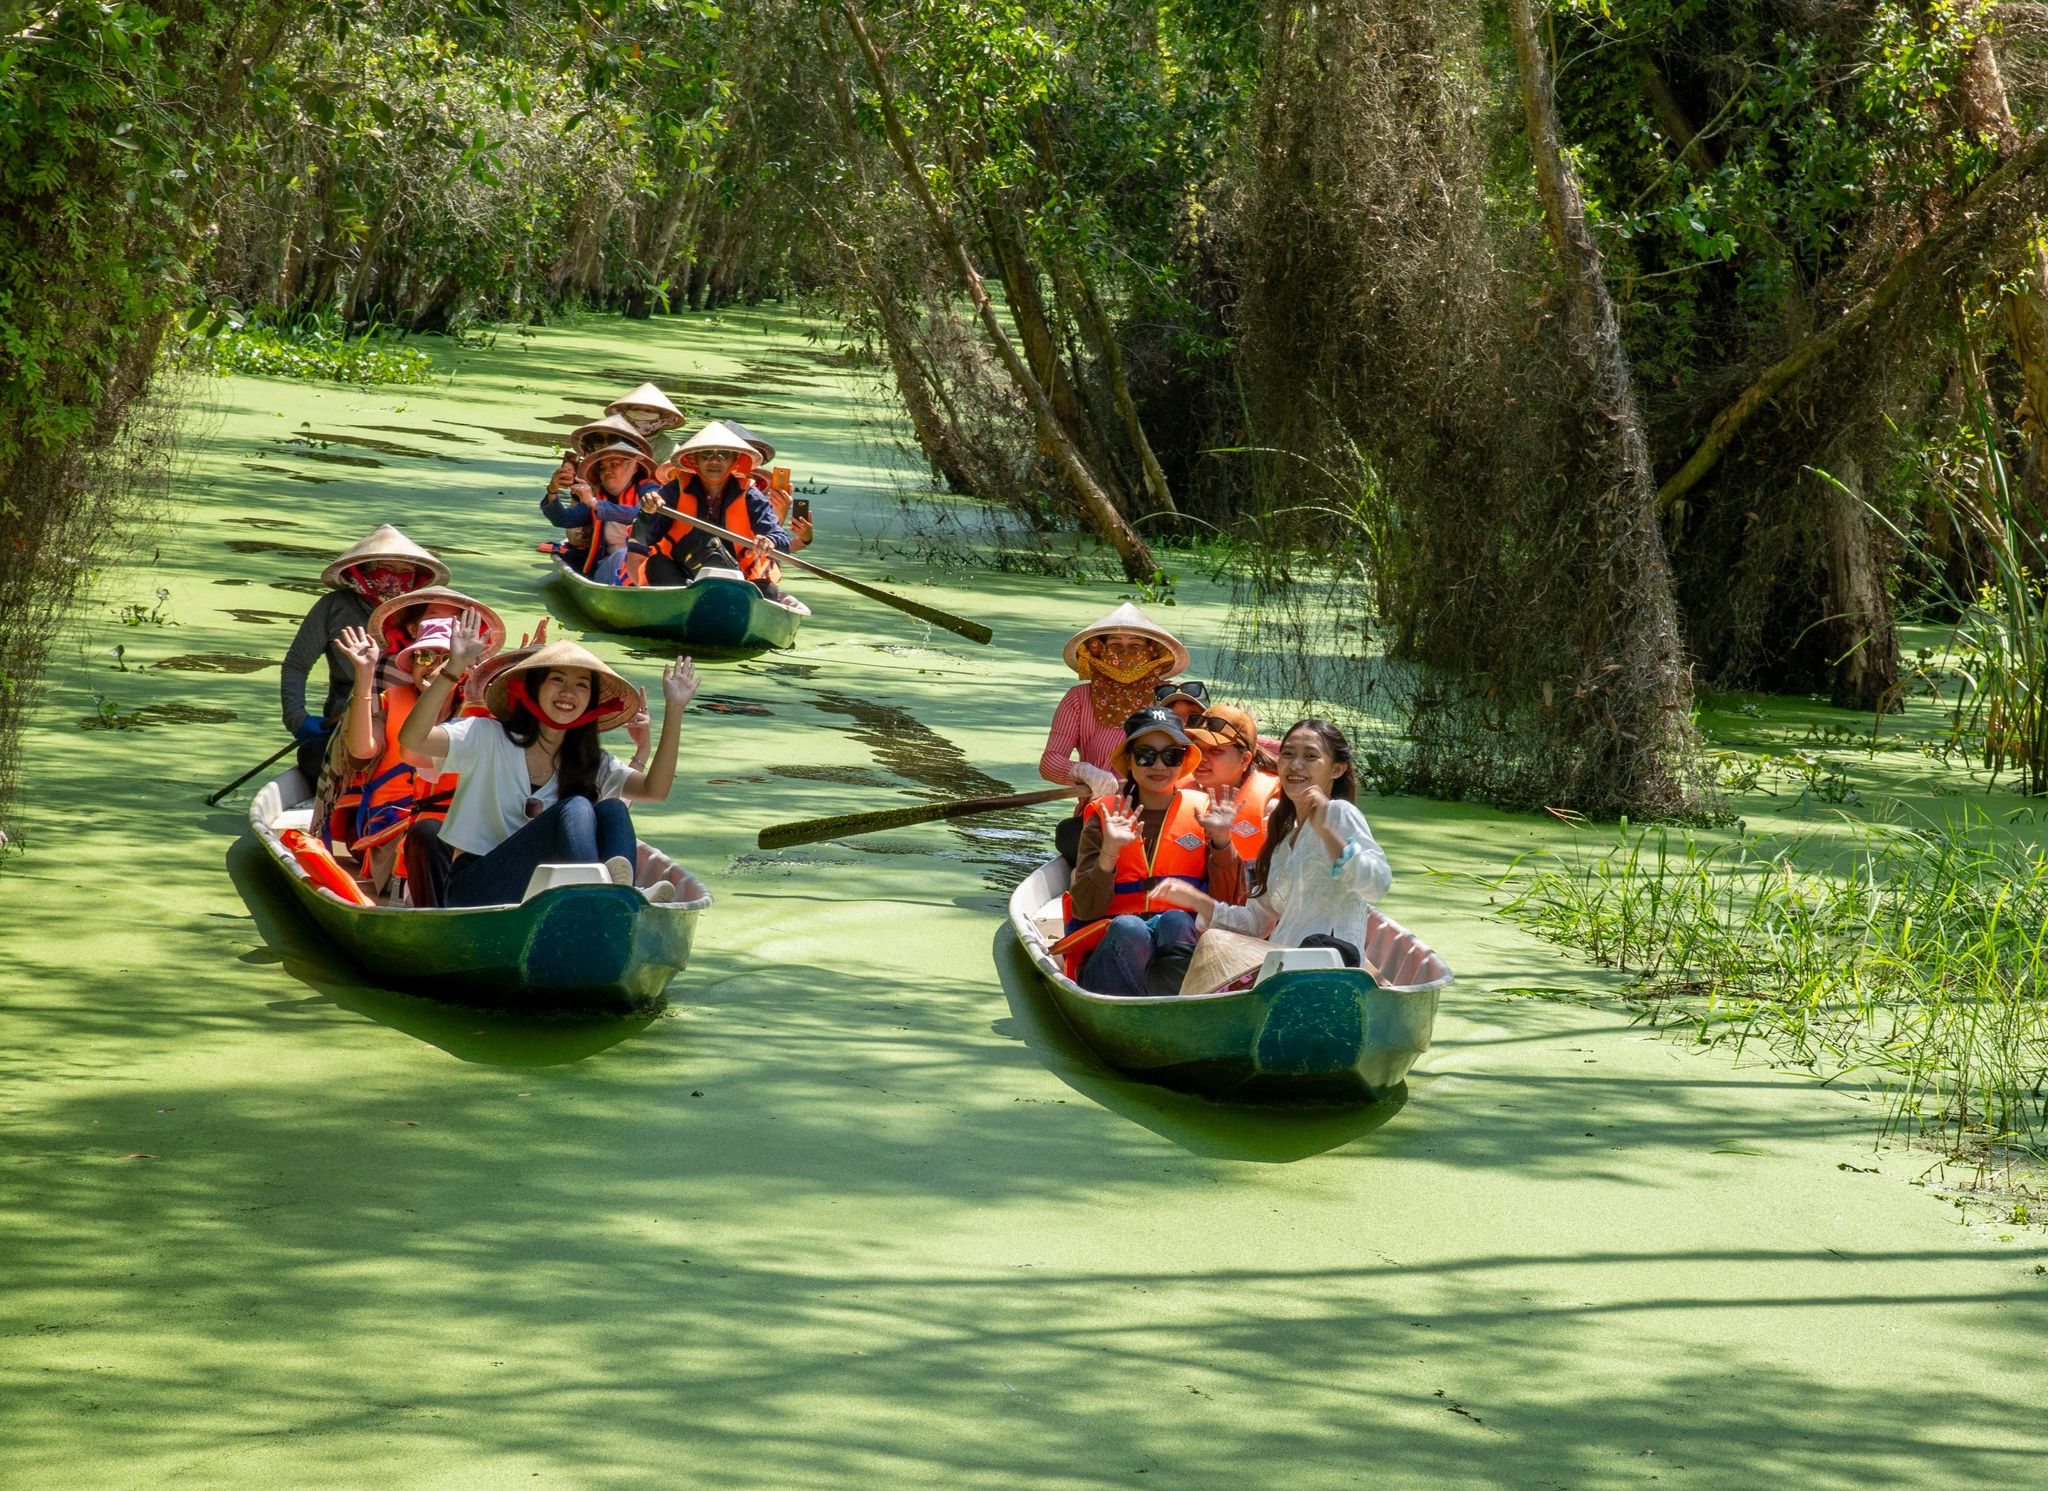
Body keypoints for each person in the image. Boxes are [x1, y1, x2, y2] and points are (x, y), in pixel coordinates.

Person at [397, 627, 699, 908]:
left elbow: (655, 790)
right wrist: (453, 669)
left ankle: (619, 896)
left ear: (590, 702)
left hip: (546, 897)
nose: (569, 692)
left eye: (581, 685)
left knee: (612, 810)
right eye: (557, 680)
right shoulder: (485, 736)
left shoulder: (592, 760)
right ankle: (607, 899)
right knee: (578, 807)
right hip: (475, 890)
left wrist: (675, 709)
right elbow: (412, 741)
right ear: (535, 688)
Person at [1150, 718, 1391, 967]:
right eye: (1288, 754)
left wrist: (1326, 831)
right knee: (1172, 959)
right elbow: (1255, 922)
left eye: (1310, 756)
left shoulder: (1339, 813)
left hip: (1327, 968)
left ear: (1336, 769)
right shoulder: (1283, 845)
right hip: (1279, 965)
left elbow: (1377, 884)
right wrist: (1194, 899)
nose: (1295, 765)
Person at [322, 589, 505, 900]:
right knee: (427, 835)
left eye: (446, 658)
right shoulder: (391, 701)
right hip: (396, 825)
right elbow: (362, 751)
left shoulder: (477, 710)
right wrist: (364, 676)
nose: (432, 666)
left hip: (461, 826)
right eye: (424, 656)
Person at [1059, 708, 1242, 997]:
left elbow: (1230, 906)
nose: (1159, 765)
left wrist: (1221, 842)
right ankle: (1166, 1008)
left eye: (1171, 756)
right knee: (1129, 927)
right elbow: (1085, 909)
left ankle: (1169, 1005)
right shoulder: (1104, 816)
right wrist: (1109, 852)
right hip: (1109, 959)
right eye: (1146, 755)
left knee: (1177, 919)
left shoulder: (1205, 813)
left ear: (1182, 762)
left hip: (1178, 956)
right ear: (1130, 761)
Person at [280, 525, 449, 788]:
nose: (395, 578)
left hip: (413, 717)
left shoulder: (422, 612)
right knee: (314, 756)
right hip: (344, 718)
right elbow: (297, 665)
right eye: (387, 568)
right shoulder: (334, 606)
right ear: (365, 569)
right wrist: (297, 718)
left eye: (405, 571)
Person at [1038, 603, 1190, 863]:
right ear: (1099, 649)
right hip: (1099, 814)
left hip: (1164, 814)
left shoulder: (1173, 697)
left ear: (1152, 652)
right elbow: (1050, 763)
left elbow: (1200, 754)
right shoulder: (1078, 698)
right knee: (1070, 836)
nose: (1125, 654)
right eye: (1115, 646)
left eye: (1135, 647)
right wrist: (1085, 772)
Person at [634, 421, 802, 608]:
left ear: (735, 461)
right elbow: (644, 538)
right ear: (693, 460)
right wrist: (647, 513)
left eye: (723, 455)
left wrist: (770, 541)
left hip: (735, 581)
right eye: (706, 454)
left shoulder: (751, 496)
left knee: (767, 590)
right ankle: (687, 604)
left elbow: (780, 539)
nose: (714, 461)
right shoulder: (673, 490)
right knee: (656, 564)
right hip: (680, 575)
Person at [540, 442, 660, 582]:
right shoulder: (598, 497)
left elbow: (638, 514)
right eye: (603, 468)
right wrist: (552, 491)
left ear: (634, 467)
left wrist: (594, 503)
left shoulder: (649, 490)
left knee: (632, 557)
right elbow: (562, 519)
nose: (607, 471)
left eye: (614, 464)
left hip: (646, 567)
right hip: (608, 568)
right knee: (623, 555)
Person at [1185, 702, 1283, 870]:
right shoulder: (1176, 794)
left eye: (1216, 750)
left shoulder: (1271, 810)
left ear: (1244, 760)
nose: (1202, 757)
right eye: (1198, 748)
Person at [721, 419, 813, 555]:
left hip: (749, 567)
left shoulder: (755, 492)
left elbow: (779, 546)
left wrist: (805, 538)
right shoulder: (691, 486)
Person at [606, 383, 686, 471]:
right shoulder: (607, 438)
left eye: (648, 411)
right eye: (636, 409)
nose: (641, 414)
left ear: (662, 418)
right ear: (625, 413)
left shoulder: (669, 448)